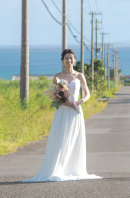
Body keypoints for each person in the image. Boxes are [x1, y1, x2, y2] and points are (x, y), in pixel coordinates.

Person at [24, 49, 101, 182]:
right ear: (62, 60)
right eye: (66, 58)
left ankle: (73, 168)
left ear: (75, 60)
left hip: (75, 111)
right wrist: (62, 100)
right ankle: (57, 168)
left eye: (71, 58)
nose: (69, 60)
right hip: (62, 111)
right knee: (61, 139)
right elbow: (53, 95)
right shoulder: (58, 76)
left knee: (74, 139)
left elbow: (87, 94)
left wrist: (78, 102)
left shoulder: (80, 76)